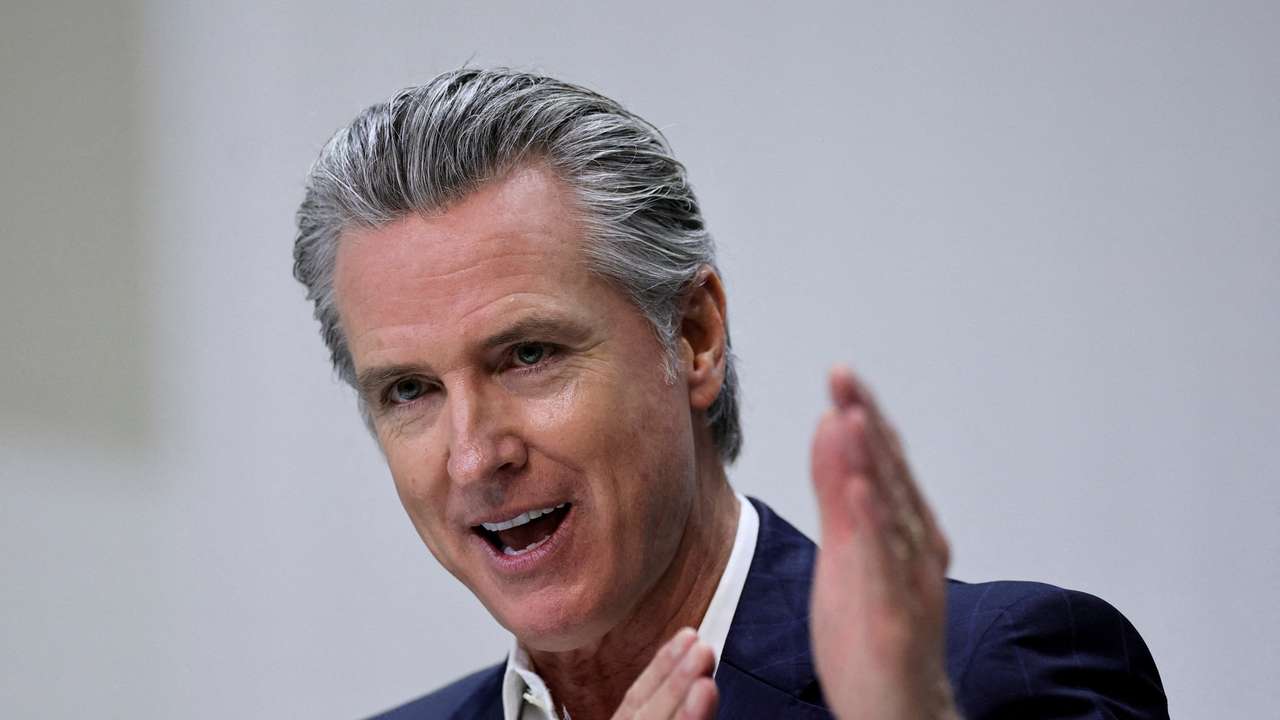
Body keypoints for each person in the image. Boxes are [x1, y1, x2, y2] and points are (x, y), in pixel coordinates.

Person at [293, 68, 1168, 720]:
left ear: (695, 336)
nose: (476, 454)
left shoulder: (982, 676)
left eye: (528, 354)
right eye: (410, 390)